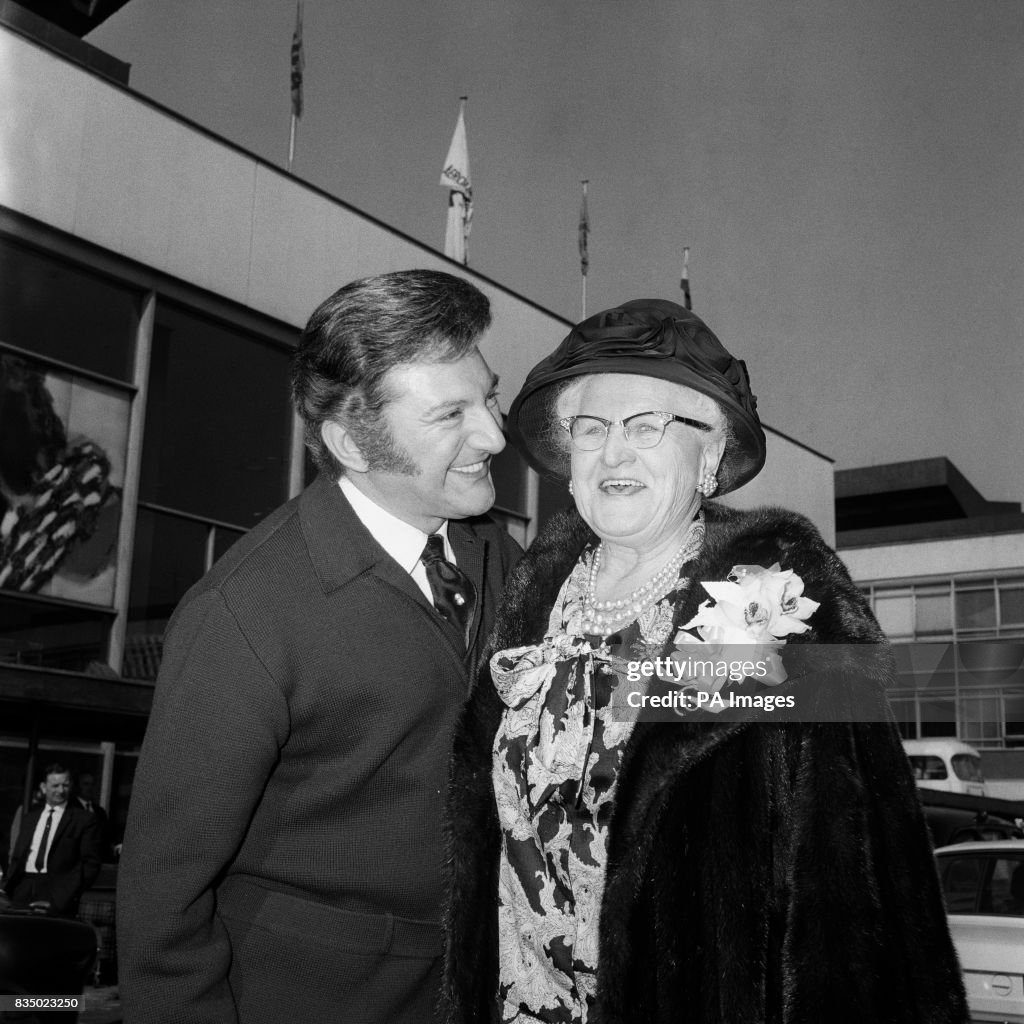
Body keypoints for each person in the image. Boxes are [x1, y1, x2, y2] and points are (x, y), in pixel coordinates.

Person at [443, 299, 968, 1024]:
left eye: (647, 425)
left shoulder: (778, 595)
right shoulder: (536, 592)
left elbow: (856, 876)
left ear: (711, 454)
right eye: (591, 429)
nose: (614, 453)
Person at [117, 270, 522, 1024]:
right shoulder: (244, 615)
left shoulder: (504, 561)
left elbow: (629, 691)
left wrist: (796, 676)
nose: (495, 434)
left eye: (490, 396)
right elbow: (161, 900)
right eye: (451, 415)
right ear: (351, 443)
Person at [3, 763, 101, 918]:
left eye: (65, 785)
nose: (61, 791)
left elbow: (90, 864)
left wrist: (65, 896)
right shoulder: (30, 817)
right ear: (43, 787)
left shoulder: (83, 819)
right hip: (23, 887)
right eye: (55, 785)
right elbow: (17, 854)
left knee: (49, 939)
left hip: (57, 892)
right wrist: (9, 885)